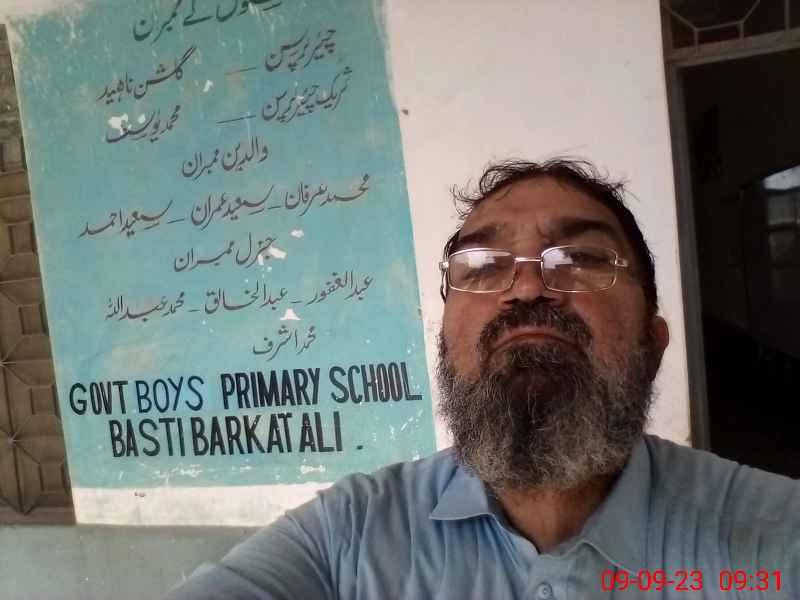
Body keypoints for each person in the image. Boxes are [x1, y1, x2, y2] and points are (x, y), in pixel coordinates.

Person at [166, 158, 799, 599]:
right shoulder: (346, 537)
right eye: (483, 264)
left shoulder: (776, 535)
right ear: (446, 344)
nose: (526, 287)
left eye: (580, 257)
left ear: (652, 344)